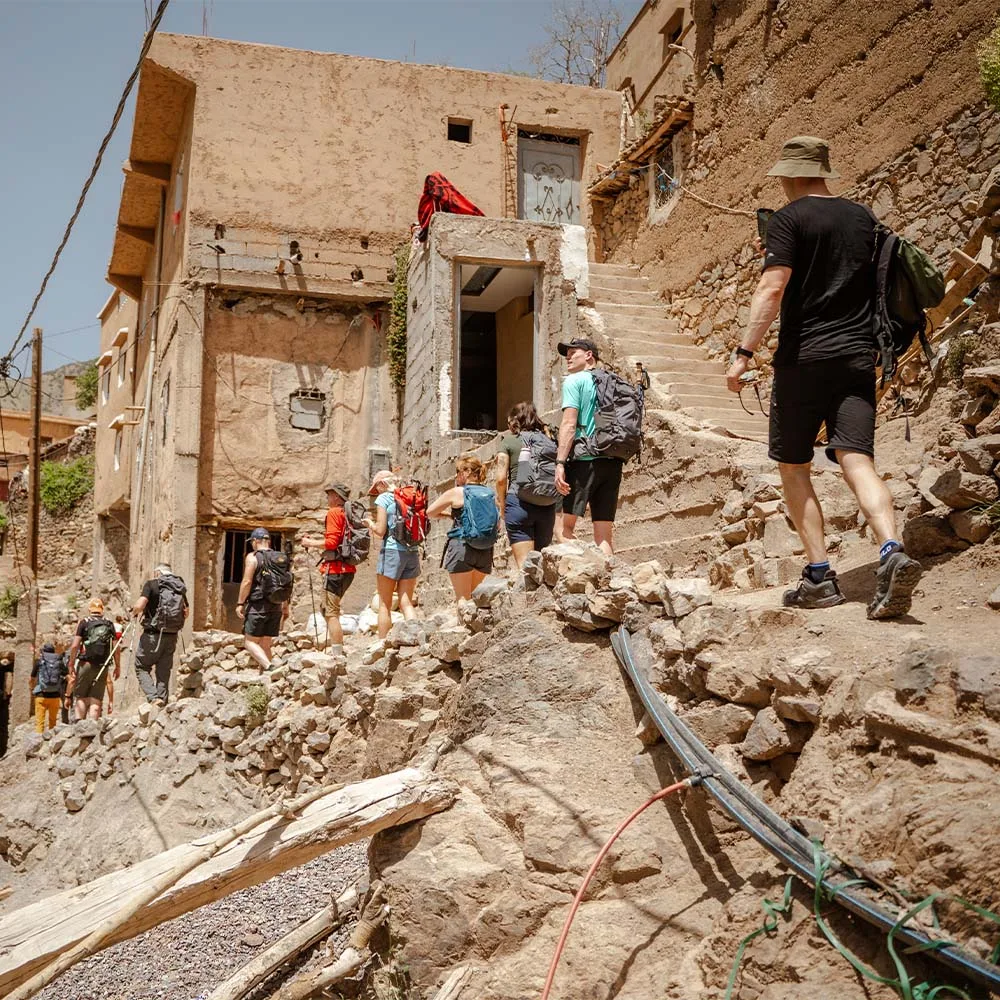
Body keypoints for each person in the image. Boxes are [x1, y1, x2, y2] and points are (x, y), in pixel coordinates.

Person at [725, 135, 922, 619]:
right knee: (857, 457)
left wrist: (743, 352)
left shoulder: (789, 220)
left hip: (804, 358)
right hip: (859, 356)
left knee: (794, 465)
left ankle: (819, 576)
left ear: (789, 175)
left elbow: (772, 289)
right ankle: (890, 547)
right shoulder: (863, 217)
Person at [553, 338, 623, 556]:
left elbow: (569, 423)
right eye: (567, 353)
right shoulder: (614, 381)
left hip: (584, 460)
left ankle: (586, 569)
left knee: (562, 527)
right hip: (612, 460)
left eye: (574, 352)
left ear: (589, 355)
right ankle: (606, 581)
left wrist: (560, 462)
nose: (568, 356)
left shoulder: (575, 381)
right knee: (604, 534)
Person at [495, 402, 559, 571]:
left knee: (526, 568)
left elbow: (501, 478)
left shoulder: (509, 441)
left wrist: (502, 504)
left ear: (515, 422)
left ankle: (526, 598)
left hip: (519, 503)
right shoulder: (548, 440)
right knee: (542, 567)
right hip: (547, 505)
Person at [429, 456, 500, 600]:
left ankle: (462, 623)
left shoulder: (457, 492)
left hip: (462, 546)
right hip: (485, 550)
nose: (456, 476)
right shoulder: (489, 493)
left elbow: (430, 512)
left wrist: (449, 515)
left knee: (462, 599)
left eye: (458, 471)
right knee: (474, 600)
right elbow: (497, 523)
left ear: (465, 472)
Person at [302, 483, 356, 655]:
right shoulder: (348, 514)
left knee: (331, 613)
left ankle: (337, 655)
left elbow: (332, 543)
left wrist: (310, 543)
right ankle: (336, 650)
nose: (327, 498)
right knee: (329, 610)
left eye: (329, 495)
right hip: (347, 569)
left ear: (337, 497)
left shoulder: (334, 513)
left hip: (335, 569)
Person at [366, 470, 420, 639]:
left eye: (377, 488)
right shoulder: (409, 496)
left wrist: (370, 524)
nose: (377, 493)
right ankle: (416, 638)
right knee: (406, 602)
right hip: (412, 551)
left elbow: (381, 531)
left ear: (382, 484)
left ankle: (382, 645)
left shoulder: (384, 499)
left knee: (384, 603)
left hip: (391, 552)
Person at [132, 564, 189, 705]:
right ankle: (162, 702)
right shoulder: (178, 587)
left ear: (158, 572)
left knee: (141, 666)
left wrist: (133, 612)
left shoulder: (152, 584)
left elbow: (140, 605)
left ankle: (153, 697)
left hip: (152, 635)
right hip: (171, 635)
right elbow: (186, 612)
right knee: (163, 672)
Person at [236, 528, 290, 669]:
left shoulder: (252, 557)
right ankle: (269, 679)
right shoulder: (279, 558)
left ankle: (268, 666)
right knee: (265, 644)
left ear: (255, 541)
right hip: (276, 606)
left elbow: (247, 581)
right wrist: (285, 605)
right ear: (268, 541)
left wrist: (240, 603)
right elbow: (283, 583)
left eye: (252, 542)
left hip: (258, 606)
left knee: (249, 642)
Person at [66, 598, 120, 721]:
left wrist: (71, 664)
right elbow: (116, 648)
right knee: (96, 698)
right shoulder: (109, 624)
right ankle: (92, 728)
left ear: (90, 610)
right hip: (102, 666)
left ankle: (80, 726)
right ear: (102, 610)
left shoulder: (84, 622)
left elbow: (75, 646)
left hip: (85, 664)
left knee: (81, 696)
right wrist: (118, 666)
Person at [30, 640, 67, 733]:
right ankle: (51, 744)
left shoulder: (39, 662)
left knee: (39, 722)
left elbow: (31, 678)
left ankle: (38, 742)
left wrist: (32, 688)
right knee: (53, 722)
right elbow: (68, 675)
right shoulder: (59, 662)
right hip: (55, 697)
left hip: (41, 695)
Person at [0, 651, 13, 756]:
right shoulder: (3, 667)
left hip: (3, 698)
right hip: (2, 699)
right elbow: (9, 667)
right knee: (3, 725)